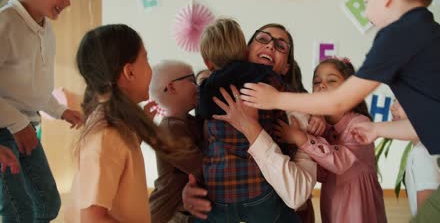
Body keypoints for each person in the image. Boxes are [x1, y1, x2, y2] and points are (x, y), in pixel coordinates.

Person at [239, 0, 440, 222]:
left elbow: (339, 101)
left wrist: (276, 98)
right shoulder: (435, 37)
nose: (367, 11)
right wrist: (379, 129)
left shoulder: (399, 35)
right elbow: (428, 124)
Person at [183, 23, 318, 222]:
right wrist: (190, 186)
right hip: (222, 194)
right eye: (263, 39)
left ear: (286, 67)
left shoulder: (302, 114)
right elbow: (196, 147)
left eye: (281, 46)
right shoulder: (212, 85)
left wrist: (251, 127)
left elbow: (297, 195)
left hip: (262, 198)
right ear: (244, 52)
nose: (271, 46)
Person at [0, 0, 82, 221]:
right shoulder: (6, 25)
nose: (68, 1)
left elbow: (34, 89)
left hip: (26, 125)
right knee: (17, 209)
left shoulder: (47, 31)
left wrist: (59, 111)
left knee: (47, 204)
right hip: (4, 129)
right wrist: (16, 123)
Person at [64, 24, 161, 222]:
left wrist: (140, 133)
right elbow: (92, 218)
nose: (151, 68)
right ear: (129, 72)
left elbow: (121, 161)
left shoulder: (115, 124)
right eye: (146, 59)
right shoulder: (106, 134)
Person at [277, 58, 386, 223]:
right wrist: (317, 114)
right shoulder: (322, 127)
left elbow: (339, 162)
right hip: (333, 202)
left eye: (331, 80)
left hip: (358, 205)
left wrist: (300, 138)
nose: (321, 85)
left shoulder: (360, 124)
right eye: (316, 82)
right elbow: (321, 173)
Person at [148, 60, 204, 223]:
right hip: (170, 215)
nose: (198, 87)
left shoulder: (189, 122)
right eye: (192, 80)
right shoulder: (170, 129)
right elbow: (201, 168)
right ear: (171, 87)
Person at [392, 101, 440, 216]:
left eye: (400, 101)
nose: (392, 107)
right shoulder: (424, 149)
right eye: (394, 100)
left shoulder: (422, 153)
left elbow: (428, 214)